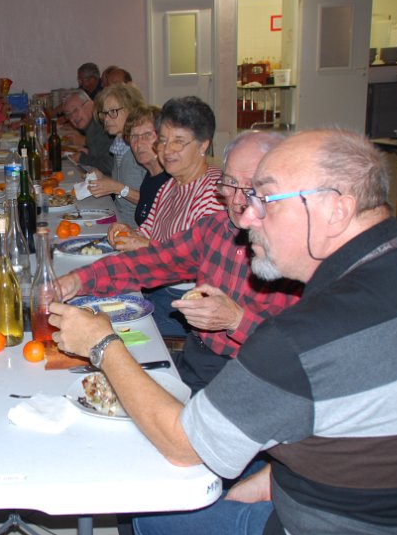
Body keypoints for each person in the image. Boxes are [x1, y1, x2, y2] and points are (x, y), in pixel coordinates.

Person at [49, 129, 397, 535]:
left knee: (160, 520)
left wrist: (103, 344)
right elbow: (376, 421)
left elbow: (184, 443)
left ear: (336, 209)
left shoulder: (300, 337)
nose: (247, 214)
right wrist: (275, 479)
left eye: (266, 199)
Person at [58, 132, 301, 391]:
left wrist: (236, 320)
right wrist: (77, 280)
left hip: (256, 378)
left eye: (251, 187)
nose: (238, 200)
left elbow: (303, 350)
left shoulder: (300, 254)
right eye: (230, 183)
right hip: (197, 358)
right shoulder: (215, 227)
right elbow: (152, 261)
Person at [108, 96, 225, 337]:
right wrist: (126, 233)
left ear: (203, 146)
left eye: (178, 142)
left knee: (110, 329)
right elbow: (147, 231)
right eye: (163, 140)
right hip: (155, 287)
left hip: (184, 305)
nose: (166, 150)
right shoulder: (170, 185)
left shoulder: (214, 193)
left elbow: (199, 266)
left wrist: (145, 246)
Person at [87, 84, 149, 225]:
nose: (107, 119)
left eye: (113, 111)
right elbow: (125, 184)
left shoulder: (142, 149)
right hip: (118, 220)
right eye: (104, 113)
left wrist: (117, 188)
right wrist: (103, 179)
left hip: (137, 228)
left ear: (132, 110)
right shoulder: (119, 145)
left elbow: (155, 202)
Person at [61, 89, 113, 175]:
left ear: (90, 104)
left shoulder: (103, 126)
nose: (73, 117)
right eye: (69, 114)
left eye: (75, 110)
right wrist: (89, 152)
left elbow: (110, 166)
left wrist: (81, 158)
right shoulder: (92, 126)